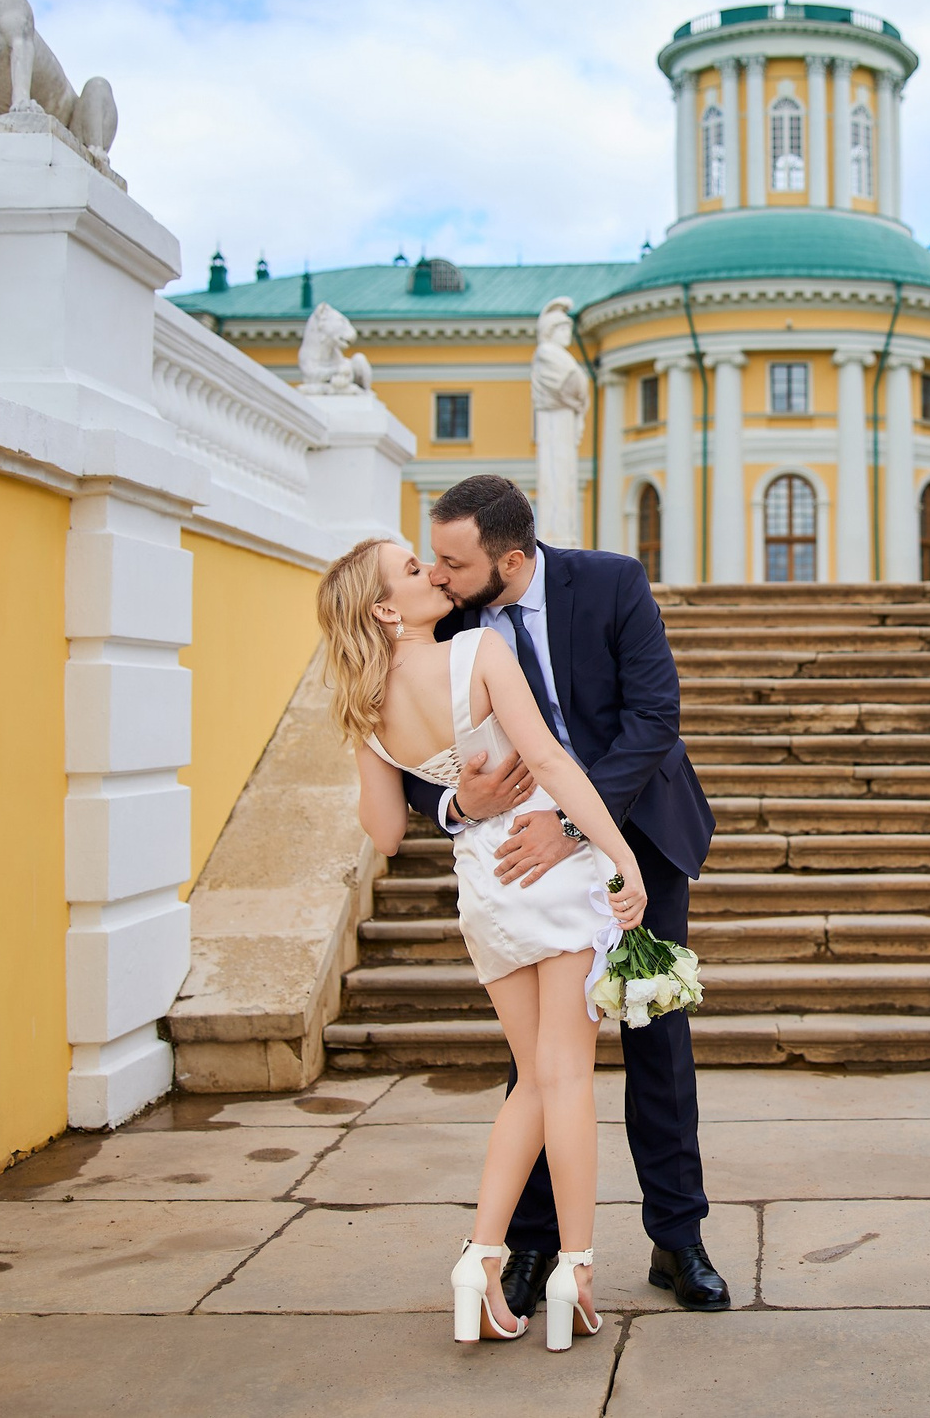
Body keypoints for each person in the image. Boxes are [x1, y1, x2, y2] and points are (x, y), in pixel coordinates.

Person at [404, 474, 731, 1319]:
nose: (437, 575)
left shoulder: (613, 582)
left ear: (511, 560)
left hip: (635, 836)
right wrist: (456, 803)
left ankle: (679, 1238)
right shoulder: (449, 619)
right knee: (539, 1062)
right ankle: (534, 1243)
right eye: (434, 560)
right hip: (523, 864)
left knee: (657, 1039)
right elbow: (410, 757)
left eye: (453, 562)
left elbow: (653, 718)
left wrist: (576, 826)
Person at [318, 535, 644, 1350]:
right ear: (386, 609)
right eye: (411, 569)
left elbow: (386, 832)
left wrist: (447, 794)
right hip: (548, 869)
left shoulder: (366, 710)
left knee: (532, 1078)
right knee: (567, 1078)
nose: (432, 572)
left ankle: (482, 1257)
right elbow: (551, 762)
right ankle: (575, 1271)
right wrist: (620, 855)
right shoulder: (480, 651)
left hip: (485, 891)